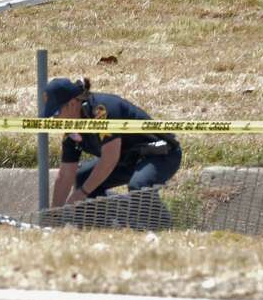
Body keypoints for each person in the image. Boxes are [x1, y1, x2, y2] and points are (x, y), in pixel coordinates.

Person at [43, 77, 181, 227]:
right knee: (83, 177)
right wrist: (54, 216)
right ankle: (101, 228)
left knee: (139, 185)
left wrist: (80, 194)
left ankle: (162, 228)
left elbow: (109, 158)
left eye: (56, 113)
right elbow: (65, 175)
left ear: (71, 104)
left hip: (161, 155)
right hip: (128, 160)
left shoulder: (101, 111)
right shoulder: (71, 129)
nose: (55, 119)